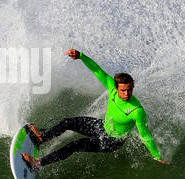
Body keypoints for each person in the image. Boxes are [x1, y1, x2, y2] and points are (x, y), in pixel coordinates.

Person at [21, 49, 170, 171]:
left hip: (112, 141)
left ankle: (37, 163)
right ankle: (42, 138)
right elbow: (97, 70)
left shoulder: (137, 110)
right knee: (68, 122)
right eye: (123, 90)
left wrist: (156, 155)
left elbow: (145, 136)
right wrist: (80, 56)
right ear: (117, 87)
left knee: (76, 145)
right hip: (102, 126)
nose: (126, 94)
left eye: (129, 90)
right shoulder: (112, 88)